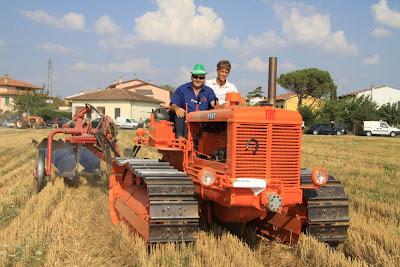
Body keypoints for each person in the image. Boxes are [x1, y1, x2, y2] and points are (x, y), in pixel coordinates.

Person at [170, 64, 218, 138]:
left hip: (202, 122)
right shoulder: (182, 89)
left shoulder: (209, 91)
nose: (198, 79)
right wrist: (177, 108)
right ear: (191, 77)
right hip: (186, 121)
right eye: (195, 77)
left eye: (201, 77)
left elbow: (214, 104)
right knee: (179, 113)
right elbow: (173, 105)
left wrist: (219, 106)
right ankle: (180, 139)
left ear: (204, 79)